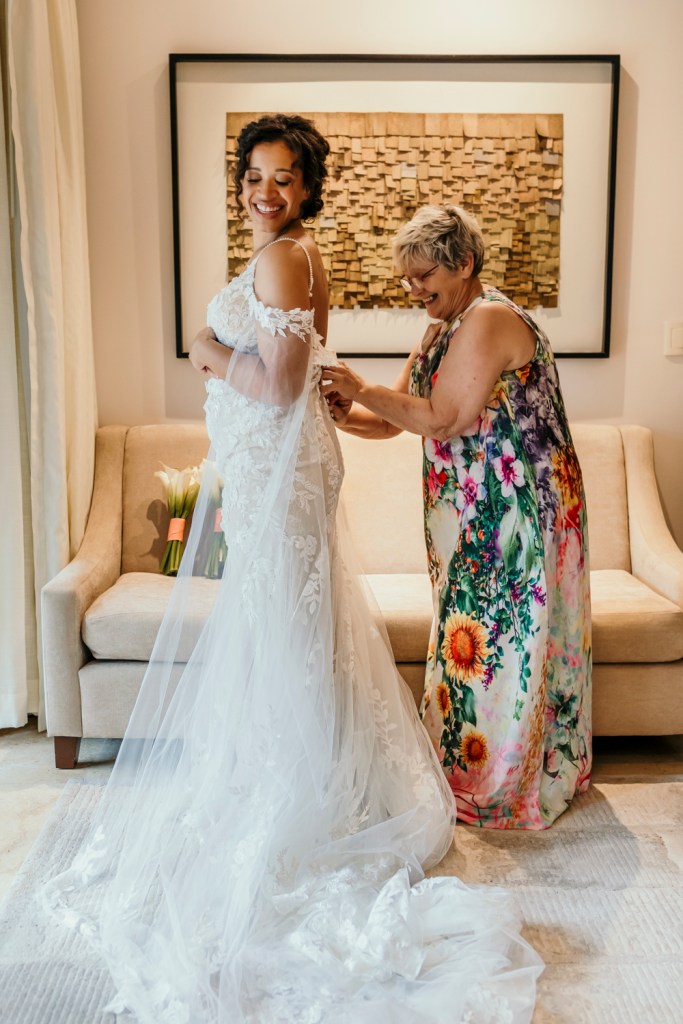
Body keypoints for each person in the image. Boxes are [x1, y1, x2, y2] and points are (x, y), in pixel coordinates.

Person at [42, 125, 541, 1021]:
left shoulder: (282, 259)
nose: (265, 191)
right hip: (281, 475)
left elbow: (274, 384)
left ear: (307, 188)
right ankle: (316, 779)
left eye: (284, 178)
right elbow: (304, 382)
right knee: (293, 637)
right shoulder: (295, 256)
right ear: (241, 183)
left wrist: (203, 349)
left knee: (285, 634)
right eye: (254, 176)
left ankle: (301, 795)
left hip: (280, 481)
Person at [322, 203, 591, 830]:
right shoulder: (441, 328)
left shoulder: (490, 318)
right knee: (471, 640)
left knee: (506, 643)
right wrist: (344, 413)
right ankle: (467, 770)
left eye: (424, 276)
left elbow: (444, 419)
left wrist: (358, 386)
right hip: (473, 515)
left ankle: (505, 783)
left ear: (464, 263)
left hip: (518, 514)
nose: (413, 289)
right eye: (407, 278)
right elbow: (398, 420)